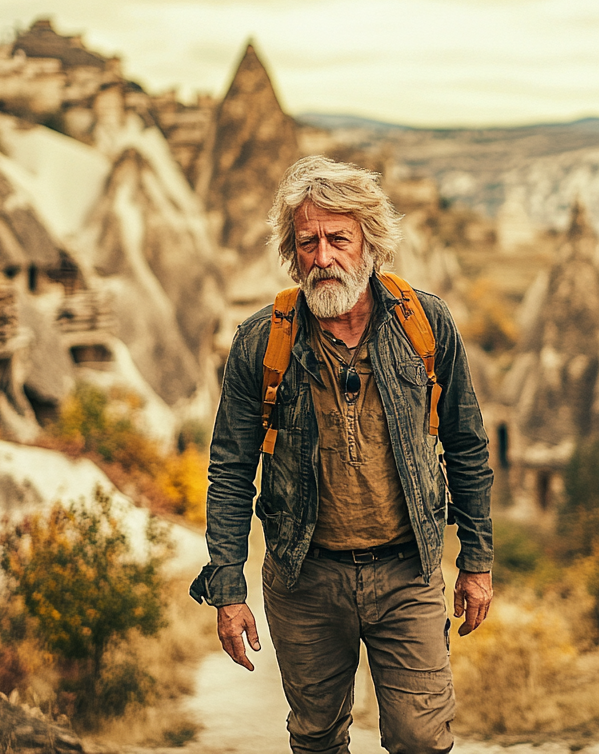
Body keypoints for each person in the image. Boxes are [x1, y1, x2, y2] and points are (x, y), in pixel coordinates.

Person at [190, 155, 495, 754]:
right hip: (305, 576)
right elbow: (230, 470)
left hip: (408, 572)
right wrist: (228, 588)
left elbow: (466, 446)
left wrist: (478, 562)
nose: (323, 257)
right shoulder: (262, 342)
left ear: (370, 245)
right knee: (316, 738)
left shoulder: (424, 325)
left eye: (338, 239)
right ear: (292, 251)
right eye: (307, 242)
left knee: (422, 740)